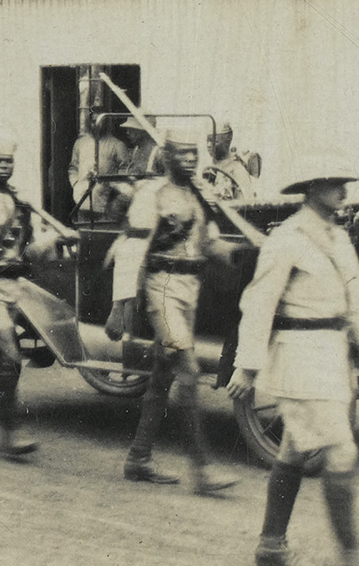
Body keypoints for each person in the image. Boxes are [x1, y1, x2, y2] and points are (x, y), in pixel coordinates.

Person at [226, 162, 359, 566]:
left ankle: (270, 546)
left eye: (344, 183)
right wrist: (247, 366)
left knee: (293, 450)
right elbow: (259, 302)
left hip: (331, 358)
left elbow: (356, 303)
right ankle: (353, 556)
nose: (343, 190)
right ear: (311, 187)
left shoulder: (338, 238)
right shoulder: (288, 237)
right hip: (299, 357)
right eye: (334, 184)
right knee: (340, 454)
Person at [111, 126, 240, 494]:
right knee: (188, 370)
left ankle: (138, 458)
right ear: (166, 156)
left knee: (161, 377)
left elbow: (210, 242)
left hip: (189, 290)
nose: (189, 160)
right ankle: (202, 469)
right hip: (161, 288)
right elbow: (131, 250)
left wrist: (242, 254)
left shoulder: (198, 194)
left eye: (193, 154)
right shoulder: (152, 194)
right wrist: (120, 307)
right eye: (181, 154)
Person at [0, 135, 75, 455]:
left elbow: (28, 252)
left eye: (9, 162)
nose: (4, 167)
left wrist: (54, 242)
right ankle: (9, 432)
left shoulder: (21, 204)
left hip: (13, 287)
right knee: (10, 356)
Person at [68, 109, 129, 216]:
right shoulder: (80, 143)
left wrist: (112, 185)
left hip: (104, 198)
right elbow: (73, 167)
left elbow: (124, 170)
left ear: (106, 123)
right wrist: (76, 184)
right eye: (93, 121)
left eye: (100, 121)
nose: (96, 124)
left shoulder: (117, 145)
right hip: (81, 197)